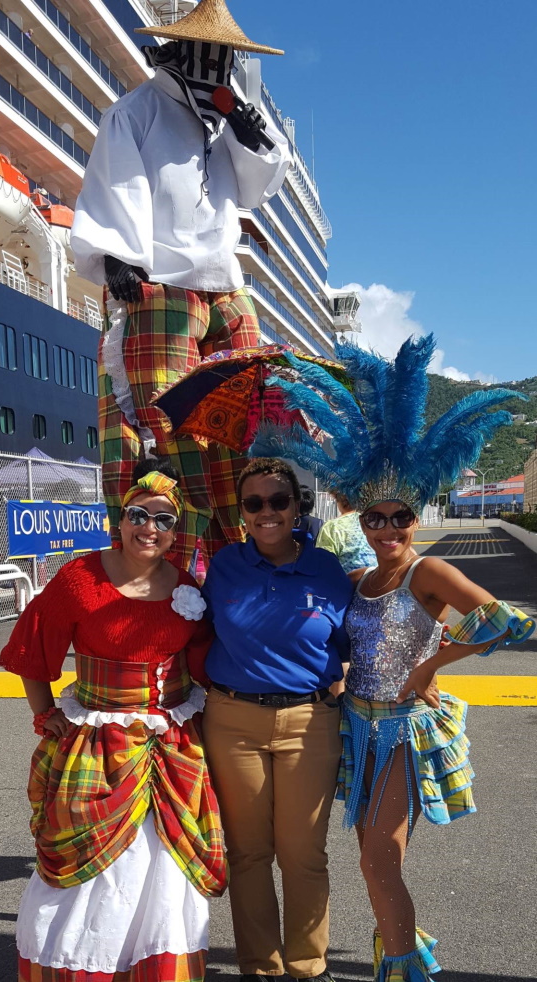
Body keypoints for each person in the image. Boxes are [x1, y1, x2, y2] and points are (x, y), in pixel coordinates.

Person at [250, 336, 535, 981]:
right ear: (361, 518)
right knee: (374, 854)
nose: (387, 529)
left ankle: (403, 963)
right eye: (375, 518)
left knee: (378, 857)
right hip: (358, 724)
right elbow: (333, 633)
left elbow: (506, 623)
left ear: (417, 514)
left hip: (403, 728)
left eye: (399, 516)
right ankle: (398, 941)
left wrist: (430, 667)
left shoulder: (427, 572)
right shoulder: (361, 581)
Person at [70, 0, 290, 567]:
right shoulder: (136, 112)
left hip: (225, 283)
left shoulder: (223, 121)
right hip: (161, 280)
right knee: (168, 430)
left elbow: (255, 189)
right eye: (211, 55)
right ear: (182, 53)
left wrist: (253, 135)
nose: (218, 67)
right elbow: (116, 180)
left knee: (245, 420)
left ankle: (240, 551)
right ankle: (172, 563)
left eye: (226, 58)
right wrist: (118, 256)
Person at [0, 459, 227, 982]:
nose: (150, 527)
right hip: (97, 740)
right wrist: (45, 715)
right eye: (139, 515)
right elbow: (33, 653)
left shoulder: (187, 585)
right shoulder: (80, 577)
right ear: (119, 521)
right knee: (96, 863)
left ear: (175, 531)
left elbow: (203, 658)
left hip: (171, 742)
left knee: (164, 865)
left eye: (164, 519)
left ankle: (157, 966)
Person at [201, 457, 353, 982]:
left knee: (303, 854)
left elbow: (359, 639)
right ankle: (258, 968)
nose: (267, 512)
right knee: (248, 853)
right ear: (242, 512)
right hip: (232, 722)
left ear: (297, 507)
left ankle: (308, 968)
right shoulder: (222, 567)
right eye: (254, 503)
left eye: (278, 501)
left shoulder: (328, 570)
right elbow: (186, 627)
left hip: (310, 724)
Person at [316, 492, 376, 572]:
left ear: (339, 501)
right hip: (375, 579)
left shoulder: (332, 527)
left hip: (344, 582)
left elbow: (323, 564)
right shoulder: (372, 522)